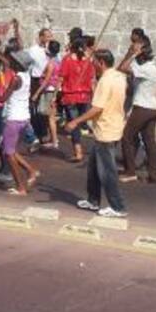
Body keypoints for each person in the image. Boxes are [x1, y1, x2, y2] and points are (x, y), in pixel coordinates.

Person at [66, 49, 128, 218]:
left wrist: (76, 121)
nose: (92, 65)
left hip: (105, 130)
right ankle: (93, 200)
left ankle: (118, 207)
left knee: (107, 172)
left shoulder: (105, 81)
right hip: (113, 126)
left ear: (101, 63)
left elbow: (97, 108)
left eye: (94, 62)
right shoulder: (119, 76)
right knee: (93, 168)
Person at [119, 35, 156, 183]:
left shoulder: (146, 68)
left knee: (126, 137)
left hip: (143, 107)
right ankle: (154, 175)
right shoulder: (147, 67)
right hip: (152, 108)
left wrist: (132, 54)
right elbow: (123, 69)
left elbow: (123, 68)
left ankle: (130, 172)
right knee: (149, 142)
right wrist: (131, 53)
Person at [0, 52, 39, 195]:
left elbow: (2, 98)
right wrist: (0, 56)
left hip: (14, 119)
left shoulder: (16, 79)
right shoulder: (26, 76)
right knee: (10, 149)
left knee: (9, 153)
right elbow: (8, 64)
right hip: (24, 118)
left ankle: (20, 187)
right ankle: (31, 171)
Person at [58, 37, 94, 163]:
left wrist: (55, 96)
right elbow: (91, 79)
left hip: (71, 95)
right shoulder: (88, 60)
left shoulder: (67, 59)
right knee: (78, 122)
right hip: (84, 96)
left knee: (73, 123)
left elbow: (61, 78)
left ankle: (78, 151)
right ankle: (79, 150)